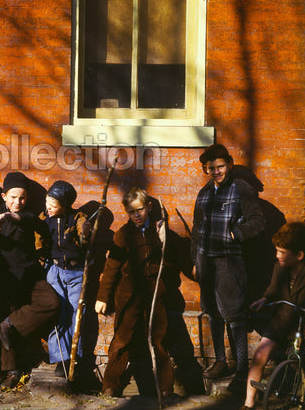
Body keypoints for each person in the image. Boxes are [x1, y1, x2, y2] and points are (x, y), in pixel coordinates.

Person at [95, 187, 185, 398]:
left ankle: (165, 388)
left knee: (158, 340)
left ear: (149, 207)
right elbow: (111, 268)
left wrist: (164, 242)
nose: (136, 215)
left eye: (140, 210)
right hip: (128, 295)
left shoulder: (159, 232)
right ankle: (110, 385)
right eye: (131, 211)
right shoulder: (123, 235)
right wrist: (102, 297)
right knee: (122, 339)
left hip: (155, 295)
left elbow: (171, 263)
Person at [192, 144, 264, 394]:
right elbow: (196, 229)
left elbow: (258, 221)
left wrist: (237, 234)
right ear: (206, 169)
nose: (216, 171)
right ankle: (221, 362)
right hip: (205, 260)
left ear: (229, 165)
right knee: (212, 311)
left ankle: (241, 368)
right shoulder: (203, 193)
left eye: (220, 166)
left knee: (234, 315)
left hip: (229, 262)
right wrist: (194, 259)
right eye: (211, 168)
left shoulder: (242, 189)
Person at [0, 171, 60, 388]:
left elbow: (32, 221)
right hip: (6, 277)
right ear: (4, 196)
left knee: (52, 302)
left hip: (30, 275)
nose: (17, 202)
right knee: (3, 312)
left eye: (21, 198)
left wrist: (13, 217)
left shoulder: (29, 215)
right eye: (13, 197)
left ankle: (10, 325)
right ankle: (11, 371)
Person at [242, 222, 305, 410]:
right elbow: (274, 289)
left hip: (303, 324)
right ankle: (248, 403)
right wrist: (264, 299)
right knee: (260, 354)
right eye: (277, 250)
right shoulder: (280, 267)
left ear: (299, 255)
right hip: (283, 320)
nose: (277, 255)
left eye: (282, 252)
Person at [40, 181, 92, 378]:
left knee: (76, 314)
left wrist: (86, 233)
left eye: (53, 204)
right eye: (47, 203)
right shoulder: (44, 218)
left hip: (76, 272)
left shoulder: (78, 218)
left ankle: (74, 357)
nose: (49, 208)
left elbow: (83, 238)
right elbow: (37, 238)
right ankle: (60, 359)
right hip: (53, 270)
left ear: (65, 205)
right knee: (58, 313)